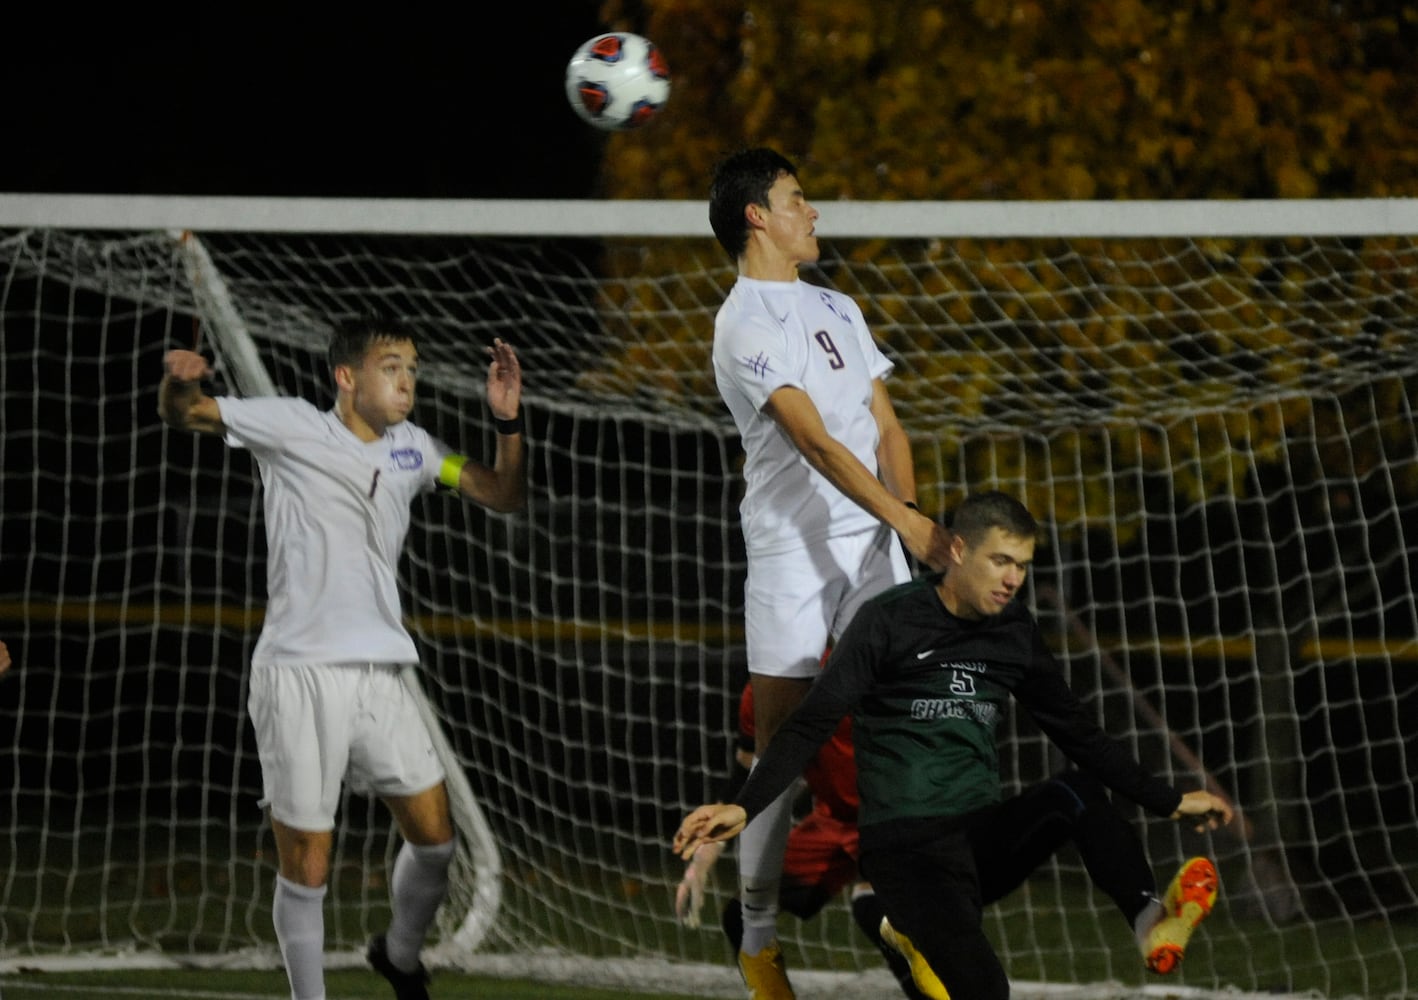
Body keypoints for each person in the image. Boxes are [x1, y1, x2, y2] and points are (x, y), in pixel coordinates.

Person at [674, 491, 1236, 1000]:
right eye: (1000, 561)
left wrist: (1169, 800)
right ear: (960, 550)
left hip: (975, 838)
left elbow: (1079, 732)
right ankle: (875, 935)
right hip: (905, 852)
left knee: (1078, 793)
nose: (1012, 579)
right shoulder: (889, 621)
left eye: (1022, 565)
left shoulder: (1013, 632)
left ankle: (1150, 921)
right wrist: (743, 806)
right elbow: (809, 723)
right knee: (981, 989)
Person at [158, 318, 525, 1000]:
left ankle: (399, 953)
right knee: (309, 864)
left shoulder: (417, 451)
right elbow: (191, 416)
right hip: (298, 674)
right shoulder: (293, 426)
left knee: (437, 842)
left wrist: (507, 422)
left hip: (381, 675)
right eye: (392, 366)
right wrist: (180, 383)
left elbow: (501, 494)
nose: (407, 380)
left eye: (412, 367)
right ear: (347, 378)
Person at [708, 146, 952, 999]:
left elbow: (884, 426)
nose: (814, 212)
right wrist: (908, 521)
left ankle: (900, 910)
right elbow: (813, 442)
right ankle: (760, 940)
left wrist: (907, 523)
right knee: (780, 745)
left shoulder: (840, 307)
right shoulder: (743, 322)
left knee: (903, 730)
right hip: (788, 555)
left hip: (874, 548)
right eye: (797, 199)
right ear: (757, 217)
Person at [674, 677, 931, 1000]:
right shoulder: (759, 693)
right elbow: (749, 773)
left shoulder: (848, 667)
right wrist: (705, 854)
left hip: (892, 812)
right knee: (742, 916)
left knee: (877, 911)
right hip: (834, 819)